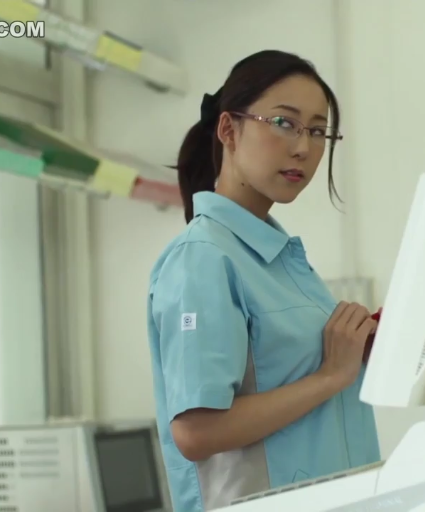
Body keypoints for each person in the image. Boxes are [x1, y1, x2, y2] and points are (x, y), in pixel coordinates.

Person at [147, 50, 381, 511]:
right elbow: (196, 431)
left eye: (318, 131)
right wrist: (330, 375)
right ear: (229, 130)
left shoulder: (279, 259)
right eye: (283, 123)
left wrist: (358, 346)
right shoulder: (204, 258)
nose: (303, 147)